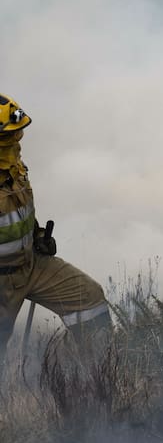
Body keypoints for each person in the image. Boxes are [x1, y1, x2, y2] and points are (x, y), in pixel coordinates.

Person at [0, 94, 110, 355]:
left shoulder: (15, 168)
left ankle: (101, 378)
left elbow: (19, 212)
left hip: (30, 264)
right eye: (8, 137)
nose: (17, 141)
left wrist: (37, 237)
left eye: (18, 134)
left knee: (88, 298)